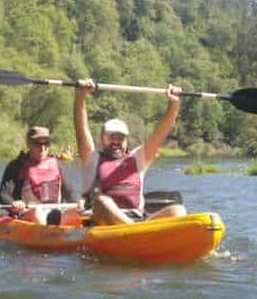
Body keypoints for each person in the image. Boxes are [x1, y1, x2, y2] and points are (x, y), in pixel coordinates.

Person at [74, 79, 188, 225]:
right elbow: (81, 129)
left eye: (120, 137)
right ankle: (133, 229)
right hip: (105, 222)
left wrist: (174, 104)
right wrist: (81, 97)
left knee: (178, 211)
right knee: (102, 201)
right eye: (111, 137)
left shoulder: (137, 159)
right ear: (101, 139)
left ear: (126, 140)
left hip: (137, 220)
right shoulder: (92, 158)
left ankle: (135, 229)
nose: (115, 141)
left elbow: (160, 133)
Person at [0, 126, 82, 225]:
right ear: (28, 144)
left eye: (46, 143)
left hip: (56, 212)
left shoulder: (57, 164)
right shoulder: (16, 166)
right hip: (28, 214)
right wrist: (13, 203)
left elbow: (69, 193)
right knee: (38, 213)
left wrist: (78, 203)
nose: (43, 148)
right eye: (38, 143)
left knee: (74, 215)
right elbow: (3, 195)